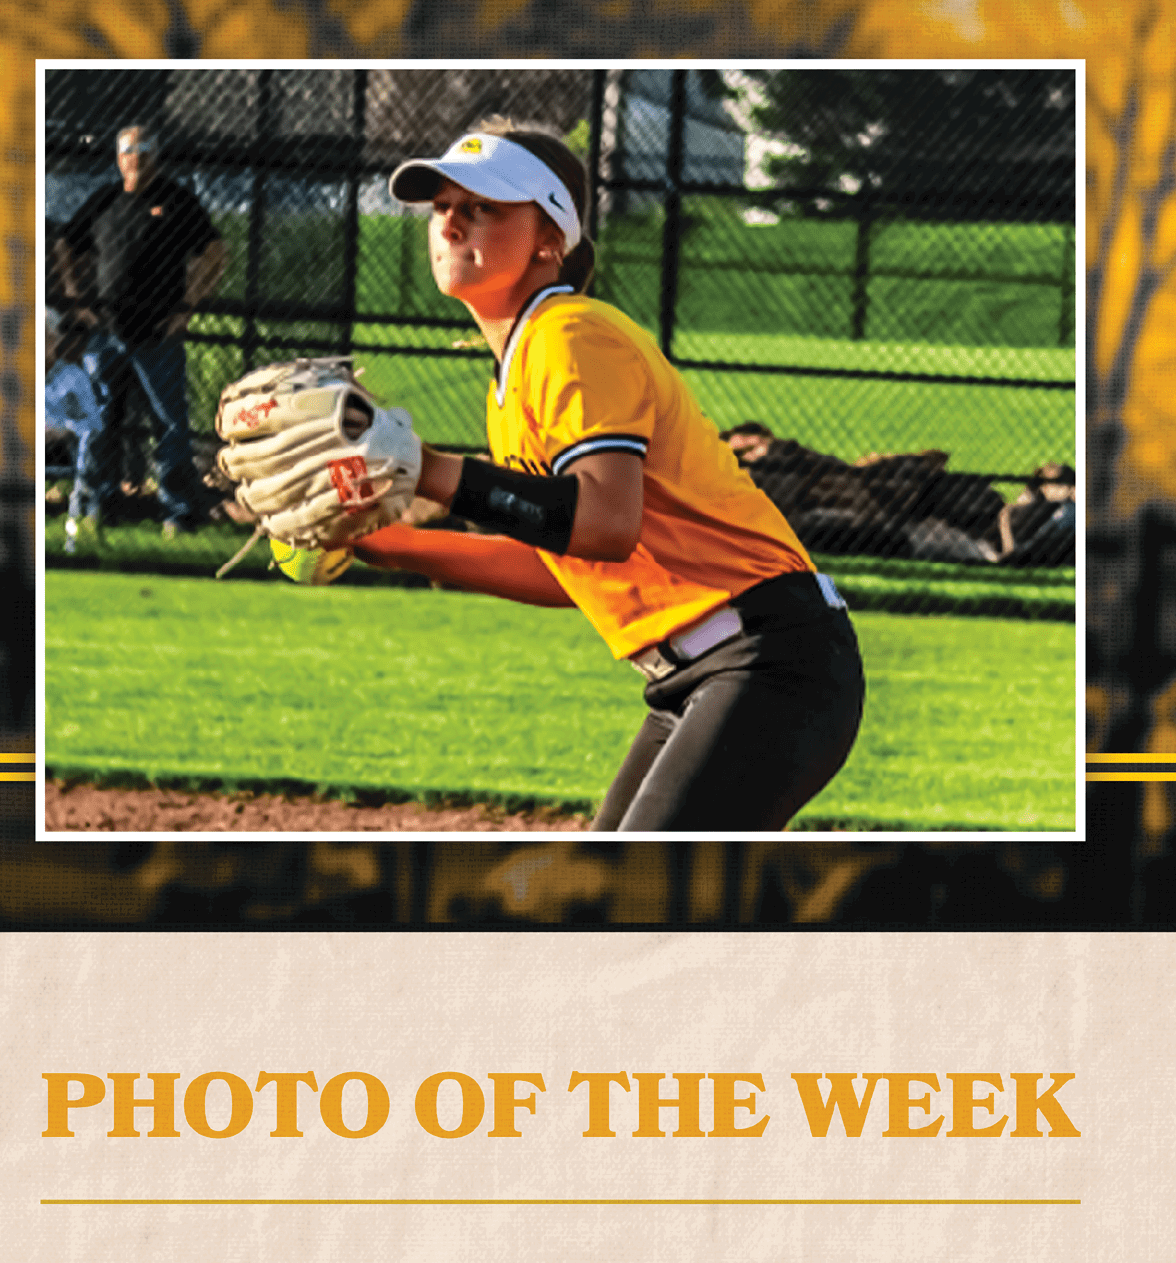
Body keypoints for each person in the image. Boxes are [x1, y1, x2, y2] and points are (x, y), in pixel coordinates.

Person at [323, 121, 864, 832]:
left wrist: (425, 469)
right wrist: (381, 544)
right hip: (706, 675)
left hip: (769, 662)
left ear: (551, 238)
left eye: (484, 207)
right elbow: (566, 568)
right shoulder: (522, 365)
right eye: (443, 206)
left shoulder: (570, 335)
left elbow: (606, 524)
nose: (451, 222)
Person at [54, 124, 227, 549]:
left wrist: (187, 307)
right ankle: (95, 509)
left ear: (156, 156)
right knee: (98, 425)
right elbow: (66, 245)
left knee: (170, 426)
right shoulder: (104, 200)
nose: (137, 157)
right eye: (129, 150)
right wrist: (78, 300)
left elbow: (215, 253)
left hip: (158, 336)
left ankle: (177, 514)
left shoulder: (178, 201)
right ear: (119, 157)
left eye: (145, 149)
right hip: (107, 335)